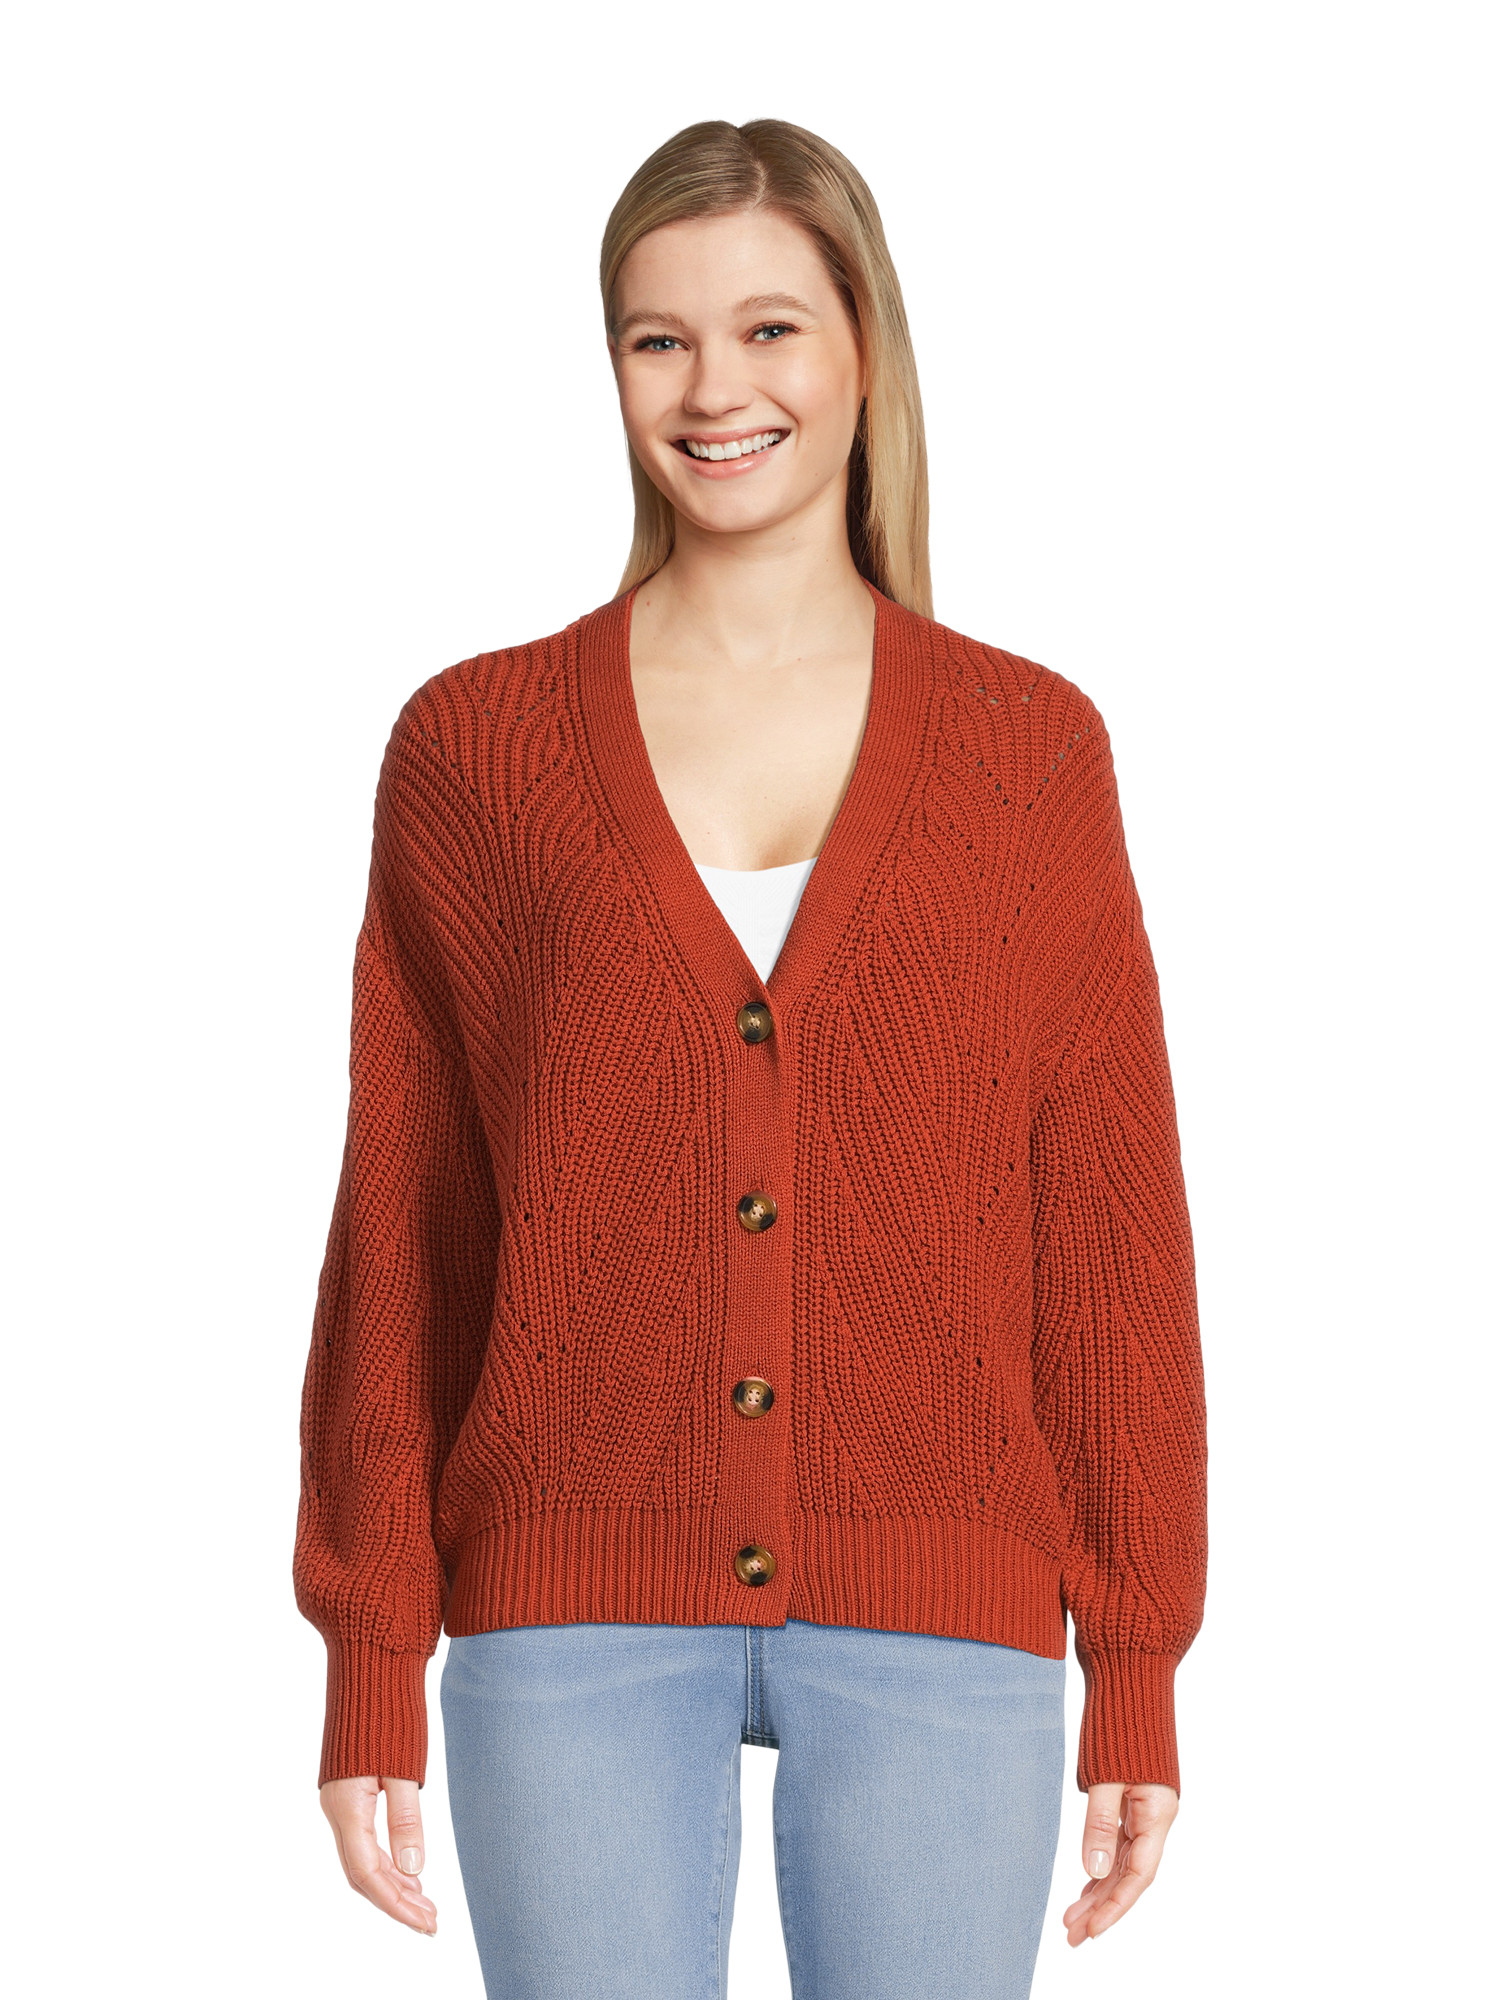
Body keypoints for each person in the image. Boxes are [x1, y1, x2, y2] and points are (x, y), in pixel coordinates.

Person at [293, 117, 1208, 1999]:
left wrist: (1136, 1653)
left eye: (770, 328)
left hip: (947, 1595)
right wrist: (373, 1643)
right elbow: (407, 1224)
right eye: (660, 338)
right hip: (565, 1604)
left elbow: (1106, 1227)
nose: (716, 390)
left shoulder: (1030, 753)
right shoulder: (476, 750)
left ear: (867, 348)